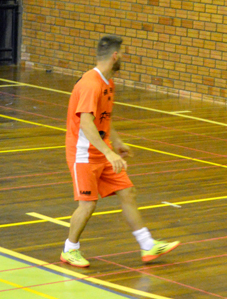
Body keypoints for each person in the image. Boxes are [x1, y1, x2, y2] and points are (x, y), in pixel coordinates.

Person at [60, 35, 180, 268]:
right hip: (83, 154)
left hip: (102, 150)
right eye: (122, 53)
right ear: (115, 56)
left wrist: (117, 142)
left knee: (127, 192)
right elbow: (86, 123)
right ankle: (69, 250)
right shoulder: (90, 84)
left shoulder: (108, 83)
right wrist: (109, 153)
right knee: (87, 205)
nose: (124, 57)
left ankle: (147, 245)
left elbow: (104, 118)